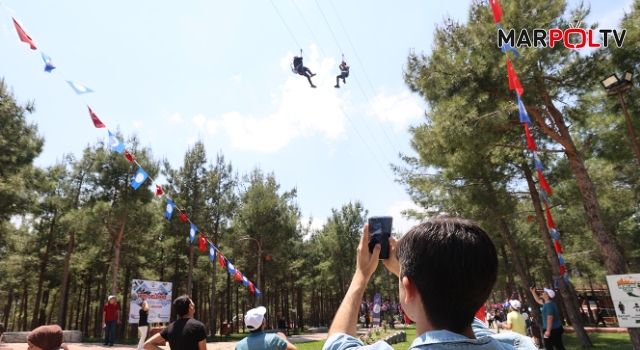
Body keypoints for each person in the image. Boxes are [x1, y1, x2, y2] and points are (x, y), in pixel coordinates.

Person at [323, 216, 536, 350]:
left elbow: (337, 342)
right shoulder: (520, 345)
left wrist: (361, 275)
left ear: (408, 289)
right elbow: (462, 308)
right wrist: (408, 275)